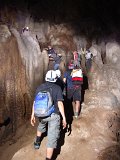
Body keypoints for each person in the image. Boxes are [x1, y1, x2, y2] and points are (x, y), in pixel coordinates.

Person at [31, 70, 67, 160]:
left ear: (46, 78)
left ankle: (37, 143)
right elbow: (60, 104)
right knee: (51, 138)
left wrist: (32, 115)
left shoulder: (40, 87)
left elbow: (35, 102)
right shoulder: (57, 88)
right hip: (53, 116)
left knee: (41, 125)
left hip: (41, 114)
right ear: (55, 79)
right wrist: (64, 118)